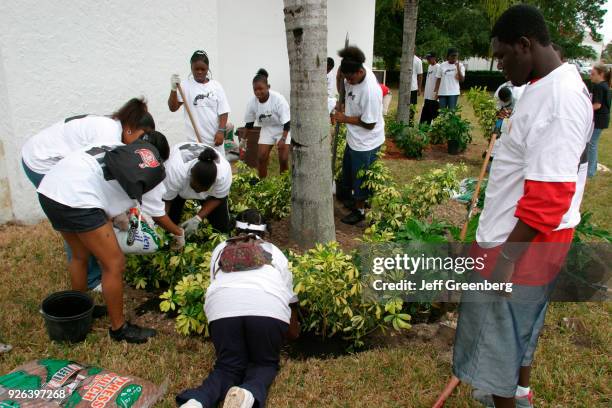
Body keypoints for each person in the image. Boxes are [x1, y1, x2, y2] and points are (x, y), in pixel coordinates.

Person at [452, 5, 592, 408]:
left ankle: (507, 398)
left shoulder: (559, 100)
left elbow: (548, 199)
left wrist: (507, 260)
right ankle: (520, 392)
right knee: (518, 330)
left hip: (521, 244)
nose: (499, 66)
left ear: (525, 45)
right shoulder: (544, 84)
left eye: (502, 56)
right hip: (521, 238)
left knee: (498, 340)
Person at [36, 139, 177, 343]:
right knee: (114, 263)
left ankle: (82, 310)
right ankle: (119, 330)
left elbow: (103, 181)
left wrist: (115, 214)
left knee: (79, 255)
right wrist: (178, 233)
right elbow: (158, 215)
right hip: (78, 199)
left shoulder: (117, 145)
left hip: (50, 190)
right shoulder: (153, 173)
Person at [21, 98, 157, 291]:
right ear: (130, 129)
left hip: (46, 153)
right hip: (42, 161)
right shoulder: (109, 135)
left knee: (87, 217)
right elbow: (97, 180)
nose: (141, 144)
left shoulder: (113, 127)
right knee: (76, 214)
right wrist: (114, 215)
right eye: (142, 137)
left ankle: (88, 261)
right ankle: (92, 278)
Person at [176, 209, 299, 408]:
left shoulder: (220, 249)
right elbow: (290, 299)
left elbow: (216, 284)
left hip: (223, 310)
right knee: (263, 364)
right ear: (265, 233)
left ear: (235, 229)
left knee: (227, 366)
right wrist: (292, 332)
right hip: (267, 310)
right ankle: (247, 394)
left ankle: (196, 401)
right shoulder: (276, 253)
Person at [333, 46, 385, 225]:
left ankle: (360, 210)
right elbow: (343, 81)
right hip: (353, 137)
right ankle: (352, 201)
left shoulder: (370, 91)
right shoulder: (352, 72)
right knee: (349, 171)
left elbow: (370, 124)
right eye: (345, 77)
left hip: (367, 142)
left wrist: (344, 118)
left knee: (361, 178)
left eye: (350, 78)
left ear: (360, 71)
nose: (348, 81)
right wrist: (341, 83)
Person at [169, 50, 231, 157]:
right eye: (196, 69)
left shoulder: (216, 86)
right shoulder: (185, 86)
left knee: (218, 171)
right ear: (191, 68)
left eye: (203, 69)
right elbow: (173, 108)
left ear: (208, 69)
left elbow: (223, 111)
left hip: (215, 141)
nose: (199, 72)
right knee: (197, 171)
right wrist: (173, 89)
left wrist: (221, 131)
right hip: (194, 143)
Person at [163, 143, 233, 237]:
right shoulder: (174, 172)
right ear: (190, 176)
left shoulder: (223, 174)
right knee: (170, 222)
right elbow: (167, 201)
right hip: (178, 186)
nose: (198, 192)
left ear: (214, 182)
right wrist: (164, 225)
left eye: (204, 190)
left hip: (208, 187)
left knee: (221, 228)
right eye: (195, 188)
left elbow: (218, 198)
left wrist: (198, 218)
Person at [244, 69, 291, 178]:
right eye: (255, 89)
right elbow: (249, 125)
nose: (258, 92)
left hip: (283, 128)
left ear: (268, 87)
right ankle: (262, 183)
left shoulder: (278, 99)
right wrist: (242, 141)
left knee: (283, 159)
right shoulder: (252, 103)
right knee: (261, 157)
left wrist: (283, 139)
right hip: (267, 128)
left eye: (261, 89)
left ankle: (284, 184)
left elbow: (287, 122)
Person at [587, 62, 611, 177]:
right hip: (602, 119)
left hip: (599, 120)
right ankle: (592, 167)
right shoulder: (604, 85)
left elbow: (597, 105)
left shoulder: (599, 86)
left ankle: (590, 171)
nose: (590, 76)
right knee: (593, 143)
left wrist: (584, 110)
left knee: (592, 144)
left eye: (593, 74)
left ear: (601, 74)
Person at [420, 52, 441, 124]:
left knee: (435, 115)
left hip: (434, 96)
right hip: (427, 95)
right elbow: (428, 80)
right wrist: (425, 91)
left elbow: (439, 80)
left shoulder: (438, 67)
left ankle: (436, 130)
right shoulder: (429, 67)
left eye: (429, 58)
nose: (428, 60)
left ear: (434, 58)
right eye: (427, 58)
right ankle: (423, 129)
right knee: (425, 115)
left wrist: (437, 93)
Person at [410, 54, 424, 121]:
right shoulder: (404, 58)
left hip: (413, 87)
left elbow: (420, 75)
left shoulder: (418, 60)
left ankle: (411, 123)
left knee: (412, 106)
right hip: (404, 88)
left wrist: (419, 88)